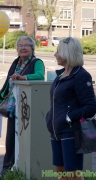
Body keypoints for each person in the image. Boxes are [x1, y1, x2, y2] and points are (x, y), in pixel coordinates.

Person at [0, 36, 45, 180]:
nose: (23, 47)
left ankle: (24, 170)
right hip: (12, 109)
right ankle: (6, 171)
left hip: (27, 109)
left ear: (32, 48)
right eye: (20, 45)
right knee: (10, 141)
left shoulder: (37, 62)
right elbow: (7, 86)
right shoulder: (15, 63)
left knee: (25, 141)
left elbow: (40, 76)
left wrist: (24, 78)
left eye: (27, 45)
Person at [45, 37, 96, 180]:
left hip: (71, 132)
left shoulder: (81, 75)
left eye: (58, 52)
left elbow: (90, 107)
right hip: (56, 132)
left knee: (73, 175)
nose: (55, 55)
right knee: (60, 174)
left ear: (68, 53)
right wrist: (50, 117)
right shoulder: (60, 74)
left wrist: (69, 116)